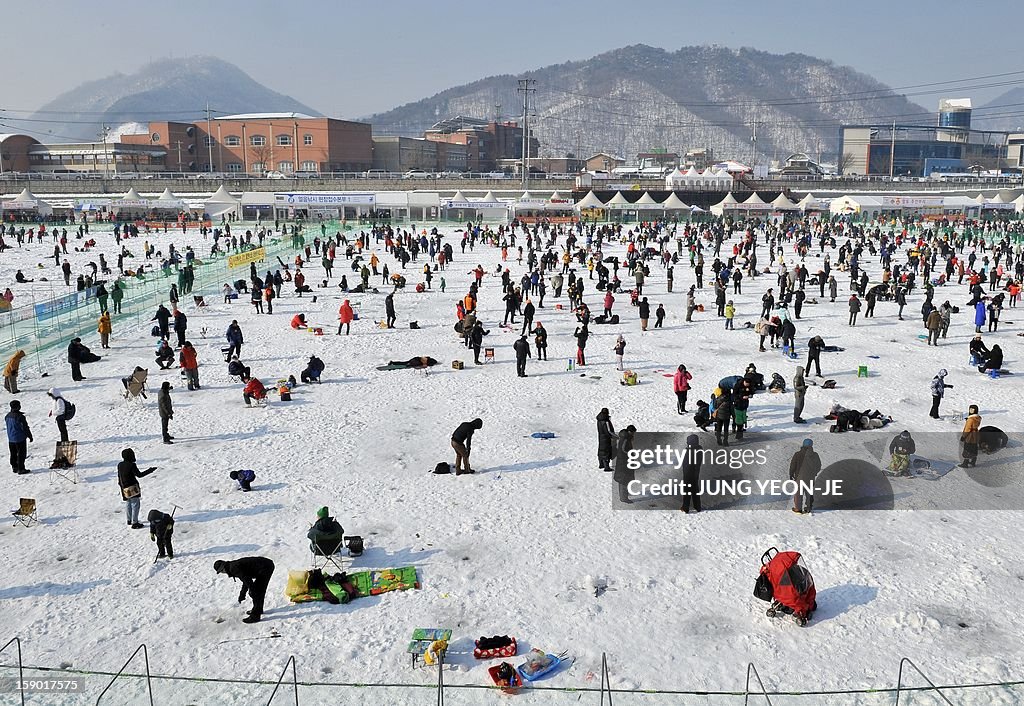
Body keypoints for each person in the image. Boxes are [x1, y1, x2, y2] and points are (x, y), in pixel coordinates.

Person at [214, 557, 276, 624]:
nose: (223, 573)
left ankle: (255, 616)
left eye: (221, 571)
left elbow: (247, 580)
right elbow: (246, 580)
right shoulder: (231, 567)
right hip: (264, 566)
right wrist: (242, 595)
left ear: (223, 568)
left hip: (266, 567)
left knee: (257, 592)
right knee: (256, 591)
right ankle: (259, 609)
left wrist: (252, 591)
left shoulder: (233, 568)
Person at [117, 448, 156, 529]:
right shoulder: (132, 465)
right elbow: (139, 475)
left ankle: (129, 520)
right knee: (135, 504)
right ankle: (135, 523)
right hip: (133, 487)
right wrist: (150, 470)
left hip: (124, 487)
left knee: (128, 503)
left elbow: (119, 476)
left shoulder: (120, 464)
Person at [789, 438, 820, 514]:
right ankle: (808, 508)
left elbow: (793, 465)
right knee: (809, 493)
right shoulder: (815, 455)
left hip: (799, 477)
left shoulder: (797, 454)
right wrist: (814, 473)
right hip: (810, 477)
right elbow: (818, 466)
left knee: (798, 493)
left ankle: (798, 508)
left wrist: (791, 473)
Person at [5, 400, 32, 474]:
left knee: (13, 453)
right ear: (18, 407)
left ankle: (14, 467)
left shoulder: (7, 416)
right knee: (21, 454)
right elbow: (25, 428)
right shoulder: (20, 417)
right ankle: (21, 469)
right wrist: (30, 436)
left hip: (11, 438)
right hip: (20, 438)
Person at [613, 425, 637, 504]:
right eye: (633, 432)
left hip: (624, 461)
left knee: (624, 479)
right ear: (630, 432)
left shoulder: (626, 437)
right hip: (624, 462)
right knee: (624, 480)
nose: (634, 434)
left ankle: (624, 494)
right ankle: (623, 498)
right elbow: (623, 449)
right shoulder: (626, 439)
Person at [680, 433, 702, 513]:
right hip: (695, 473)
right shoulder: (699, 449)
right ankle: (697, 506)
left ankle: (685, 507)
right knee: (695, 489)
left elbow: (687, 463)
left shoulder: (689, 450)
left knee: (687, 490)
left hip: (688, 473)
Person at [596, 408, 615, 472]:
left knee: (601, 449)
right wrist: (615, 437)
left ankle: (601, 464)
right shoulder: (606, 421)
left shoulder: (599, 420)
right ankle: (606, 467)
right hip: (606, 438)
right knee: (606, 451)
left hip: (601, 437)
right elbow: (609, 431)